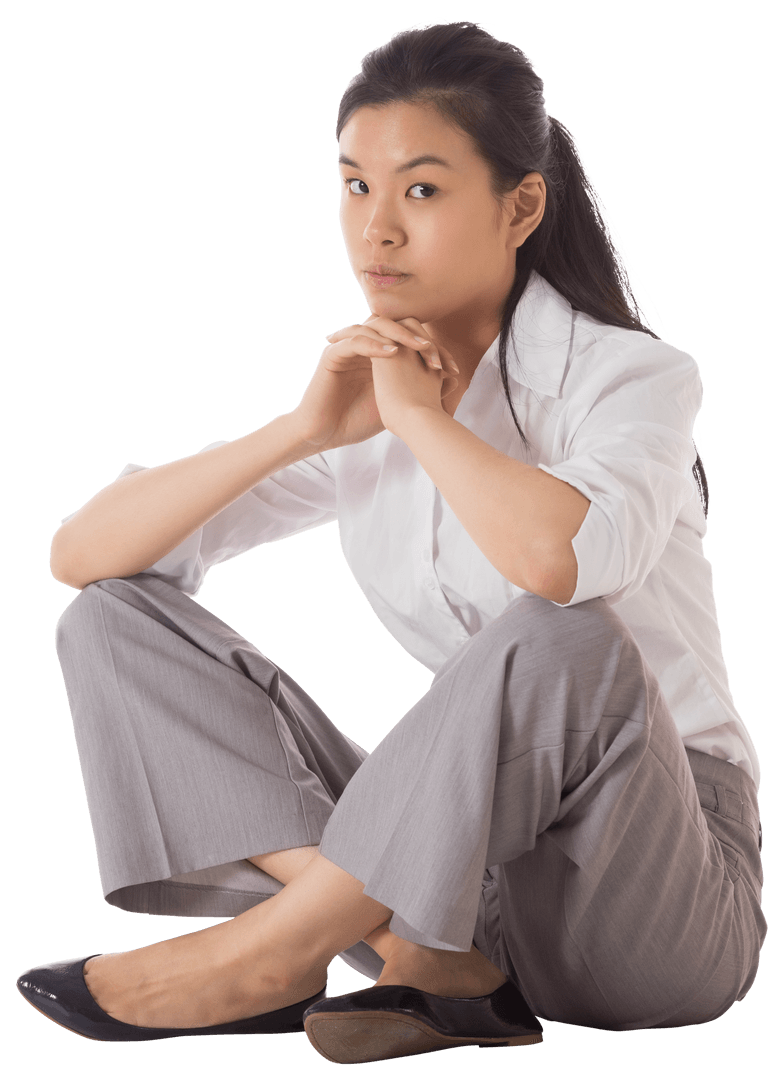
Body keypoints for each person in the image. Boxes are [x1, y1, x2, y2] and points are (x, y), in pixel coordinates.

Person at [17, 17, 765, 1064]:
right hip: (457, 887)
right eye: (353, 185)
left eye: (419, 189)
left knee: (567, 637)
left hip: (656, 892)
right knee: (109, 622)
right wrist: (303, 431)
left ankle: (278, 949)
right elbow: (81, 555)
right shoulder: (366, 391)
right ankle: (428, 966)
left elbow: (557, 565)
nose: (374, 231)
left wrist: (424, 422)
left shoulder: (632, 380)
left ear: (521, 206)